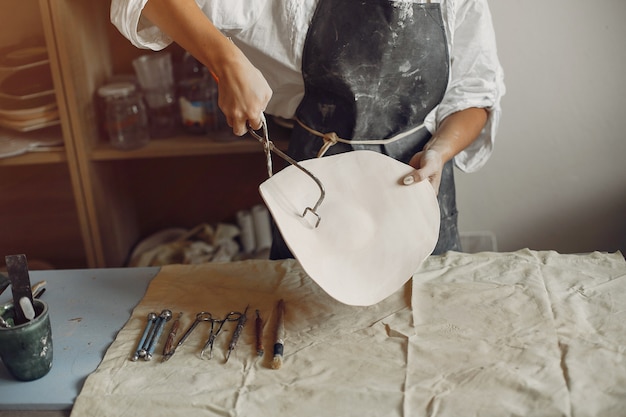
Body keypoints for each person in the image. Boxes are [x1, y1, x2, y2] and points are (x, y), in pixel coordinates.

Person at [111, 0, 505, 258]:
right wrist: (226, 60)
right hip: (316, 186)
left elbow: (474, 96)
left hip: (418, 183)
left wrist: (440, 151)